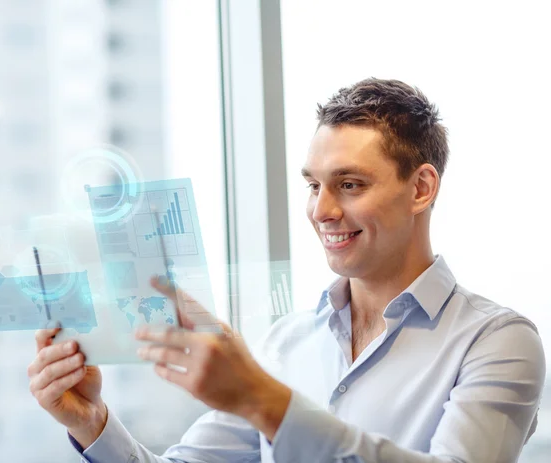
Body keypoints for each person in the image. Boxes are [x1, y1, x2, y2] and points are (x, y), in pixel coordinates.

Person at [28, 78, 546, 463]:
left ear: (421, 188)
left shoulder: (497, 342)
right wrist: (93, 423)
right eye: (313, 185)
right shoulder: (288, 343)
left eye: (350, 184)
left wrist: (262, 398)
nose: (322, 210)